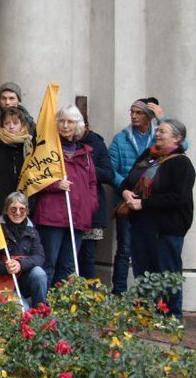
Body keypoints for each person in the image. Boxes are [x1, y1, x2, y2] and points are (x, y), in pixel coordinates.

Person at [119, 116, 194, 318]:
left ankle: (171, 317)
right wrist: (125, 192)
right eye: (158, 130)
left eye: (162, 131)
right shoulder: (148, 156)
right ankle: (146, 313)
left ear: (177, 139)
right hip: (141, 224)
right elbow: (129, 180)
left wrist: (144, 203)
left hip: (166, 228)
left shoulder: (182, 163)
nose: (157, 134)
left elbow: (178, 197)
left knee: (167, 273)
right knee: (143, 271)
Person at [32, 105, 98, 286]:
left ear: (77, 125)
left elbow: (92, 183)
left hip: (77, 216)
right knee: (49, 262)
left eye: (70, 122)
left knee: (69, 266)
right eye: (62, 121)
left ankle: (62, 307)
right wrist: (54, 185)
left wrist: (90, 205)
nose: (65, 125)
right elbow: (34, 178)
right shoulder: (48, 150)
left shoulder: (85, 154)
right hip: (51, 216)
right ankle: (42, 305)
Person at [108, 97, 161, 294]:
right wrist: (124, 189)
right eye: (132, 112)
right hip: (127, 200)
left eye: (138, 112)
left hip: (150, 202)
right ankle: (119, 292)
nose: (134, 116)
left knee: (150, 248)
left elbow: (184, 144)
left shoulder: (159, 136)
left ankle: (149, 295)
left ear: (149, 115)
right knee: (125, 248)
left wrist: (163, 119)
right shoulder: (121, 138)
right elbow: (110, 169)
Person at [0, 192, 48, 308]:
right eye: (13, 209)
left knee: (39, 273)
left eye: (22, 209)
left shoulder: (32, 230)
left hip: (22, 279)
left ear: (27, 211)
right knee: (23, 312)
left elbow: (39, 256)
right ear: (6, 210)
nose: (18, 213)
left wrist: (20, 264)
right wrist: (5, 267)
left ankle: (40, 310)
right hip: (1, 281)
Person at [76, 106, 113, 280]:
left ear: (85, 125)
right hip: (68, 208)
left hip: (90, 208)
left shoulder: (95, 142)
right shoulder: (59, 142)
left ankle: (89, 296)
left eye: (75, 123)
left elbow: (108, 173)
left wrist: (84, 169)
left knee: (87, 256)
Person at [0, 104, 34, 213]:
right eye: (7, 123)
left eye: (15, 123)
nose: (11, 127)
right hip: (0, 202)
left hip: (25, 201)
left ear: (22, 125)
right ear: (2, 125)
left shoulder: (30, 146)